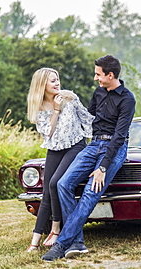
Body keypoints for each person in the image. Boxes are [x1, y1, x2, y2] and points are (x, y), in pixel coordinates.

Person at [41, 55, 136, 261]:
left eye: (98, 74)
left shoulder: (127, 99)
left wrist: (102, 167)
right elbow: (87, 118)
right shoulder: (99, 92)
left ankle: (62, 244)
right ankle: (77, 243)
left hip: (114, 148)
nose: (95, 78)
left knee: (90, 192)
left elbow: (119, 136)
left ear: (110, 75)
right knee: (63, 184)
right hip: (93, 144)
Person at [26, 67, 94, 252]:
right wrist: (55, 110)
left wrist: (100, 141)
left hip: (75, 145)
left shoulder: (70, 98)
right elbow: (48, 133)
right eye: (52, 81)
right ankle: (34, 241)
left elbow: (87, 119)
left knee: (56, 183)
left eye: (57, 79)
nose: (57, 83)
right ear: (42, 85)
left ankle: (56, 229)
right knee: (47, 190)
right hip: (54, 149)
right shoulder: (38, 107)